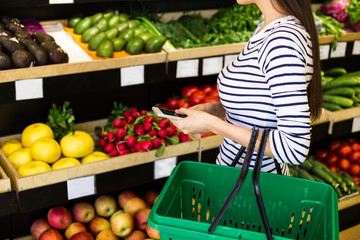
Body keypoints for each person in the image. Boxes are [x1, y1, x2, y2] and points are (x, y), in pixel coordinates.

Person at [171, 0, 322, 175]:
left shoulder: (282, 42)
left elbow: (294, 148)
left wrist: (212, 124)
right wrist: (217, 111)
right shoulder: (268, 30)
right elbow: (263, 111)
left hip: (255, 187)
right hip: (237, 178)